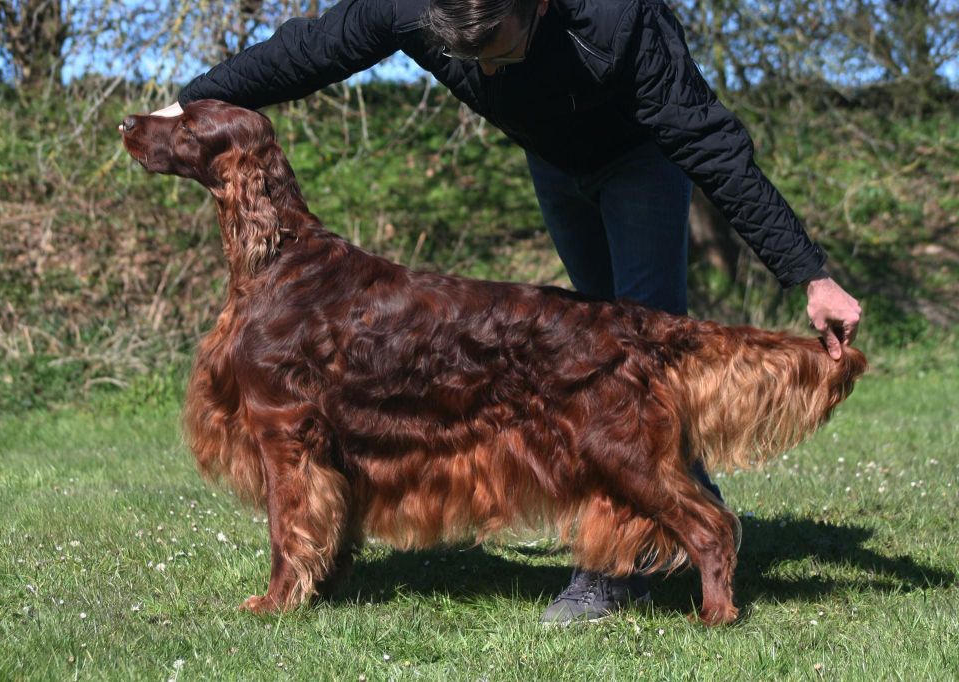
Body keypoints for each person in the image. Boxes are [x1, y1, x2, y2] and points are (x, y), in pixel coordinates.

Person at [150, 0, 862, 624]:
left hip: (639, 159)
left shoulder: (621, 21)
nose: (484, 75)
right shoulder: (415, 6)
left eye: (496, 53)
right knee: (595, 372)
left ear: (540, 6)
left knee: (628, 361)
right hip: (555, 164)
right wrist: (193, 106)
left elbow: (712, 143)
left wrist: (809, 274)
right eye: (465, 59)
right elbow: (306, 52)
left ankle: (623, 572)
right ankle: (680, 535)